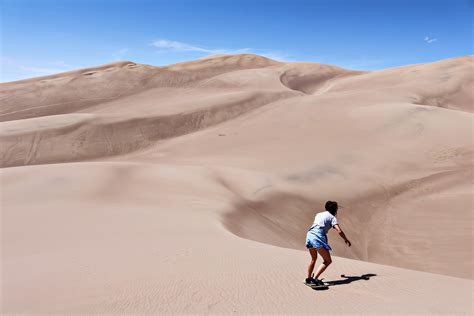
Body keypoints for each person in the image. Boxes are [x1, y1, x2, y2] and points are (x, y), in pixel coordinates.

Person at [305, 200, 351, 286]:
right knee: (327, 261)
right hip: (318, 237)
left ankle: (309, 278)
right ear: (335, 209)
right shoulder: (332, 218)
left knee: (313, 259)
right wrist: (346, 239)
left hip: (310, 235)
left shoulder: (318, 214)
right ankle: (315, 279)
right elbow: (339, 231)